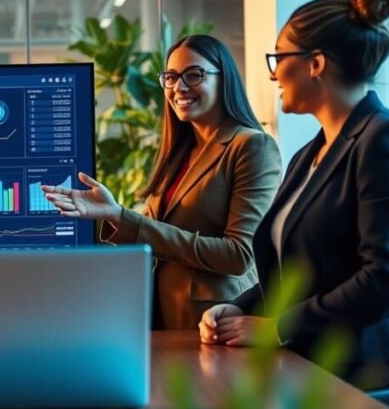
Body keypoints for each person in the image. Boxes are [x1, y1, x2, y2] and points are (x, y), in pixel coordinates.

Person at [199, 0, 389, 389]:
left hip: (373, 375)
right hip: (312, 367)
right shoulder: (310, 153)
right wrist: (238, 308)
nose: (273, 75)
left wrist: (278, 327)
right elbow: (301, 272)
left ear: (315, 64)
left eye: (278, 58)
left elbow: (387, 278)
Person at [44, 34, 282, 329]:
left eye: (193, 75)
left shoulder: (251, 146)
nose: (179, 87)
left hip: (212, 320)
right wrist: (110, 215)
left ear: (224, 79)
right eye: (170, 77)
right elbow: (160, 231)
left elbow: (239, 255)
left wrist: (121, 216)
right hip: (160, 315)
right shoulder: (179, 150)